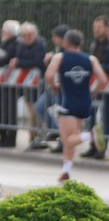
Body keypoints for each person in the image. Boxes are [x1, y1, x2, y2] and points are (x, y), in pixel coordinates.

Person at [45, 29, 107, 183]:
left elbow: (49, 75)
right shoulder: (90, 59)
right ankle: (65, 172)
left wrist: (54, 86)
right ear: (81, 43)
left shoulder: (60, 57)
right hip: (85, 101)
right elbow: (103, 79)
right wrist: (92, 92)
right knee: (72, 136)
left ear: (66, 42)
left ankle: (91, 135)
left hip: (67, 102)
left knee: (67, 140)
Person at [34, 24, 70, 153]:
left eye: (55, 36)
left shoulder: (67, 52)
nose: (53, 39)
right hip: (54, 86)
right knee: (40, 106)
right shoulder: (57, 50)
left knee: (63, 116)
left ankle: (63, 141)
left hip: (63, 88)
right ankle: (55, 131)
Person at [81, 15, 109, 160]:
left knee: (105, 119)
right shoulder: (95, 43)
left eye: (99, 27)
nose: (96, 30)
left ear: (107, 28)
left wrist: (95, 65)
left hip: (106, 86)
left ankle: (101, 149)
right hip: (95, 85)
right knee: (90, 117)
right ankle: (93, 146)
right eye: (95, 27)